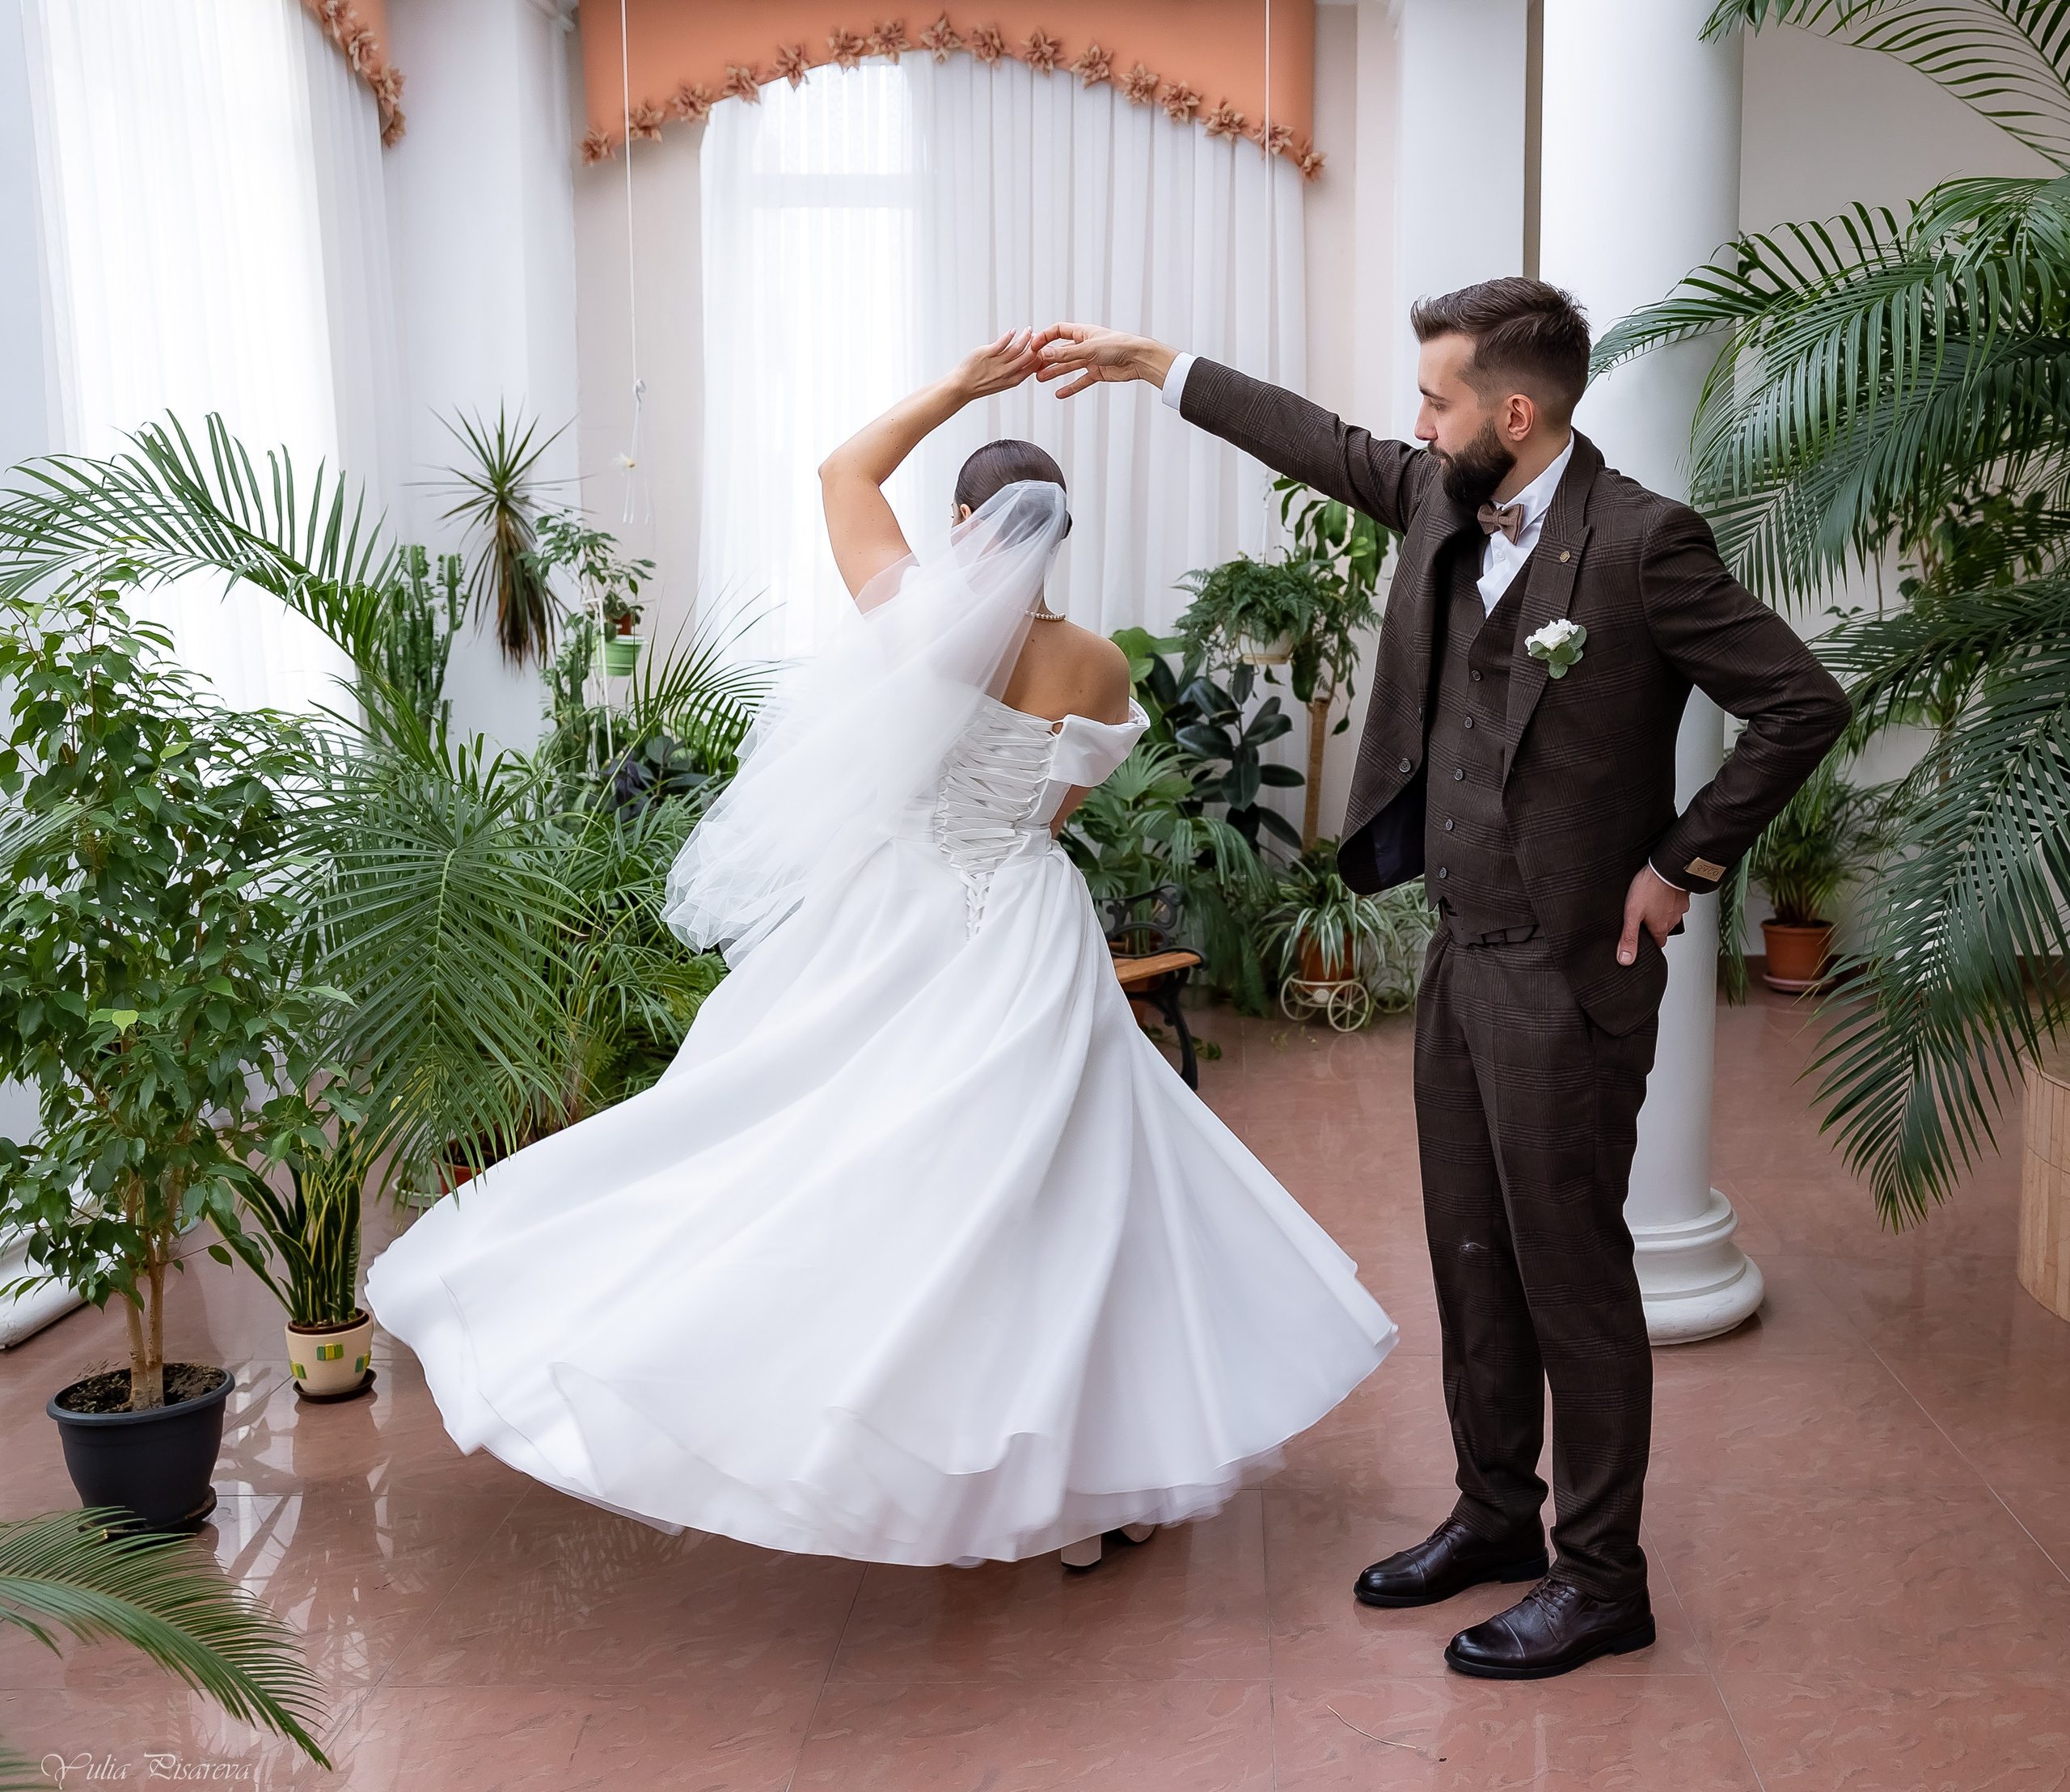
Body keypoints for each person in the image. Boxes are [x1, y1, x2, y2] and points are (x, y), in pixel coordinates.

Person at [363, 328, 1398, 1573]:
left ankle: (852, 1416)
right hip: (1022, 925)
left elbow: (842, 476)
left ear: (966, 524)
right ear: (1059, 537)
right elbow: (1051, 815)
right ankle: (1074, 1486)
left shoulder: (911, 619)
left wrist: (962, 383)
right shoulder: (1101, 665)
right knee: (1056, 1195)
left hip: (889, 920)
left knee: (822, 1155)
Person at [1034, 281, 1850, 1672]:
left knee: (1569, 1275)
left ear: (1513, 415)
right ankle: (1493, 1516)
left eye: (1439, 401)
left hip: (1570, 974)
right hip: (1461, 954)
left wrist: (1680, 868)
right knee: (1469, 1255)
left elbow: (1799, 701)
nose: (1416, 424)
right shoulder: (1439, 499)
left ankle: (1603, 1579)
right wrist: (1153, 364)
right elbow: (1312, 439)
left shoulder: (1645, 546)